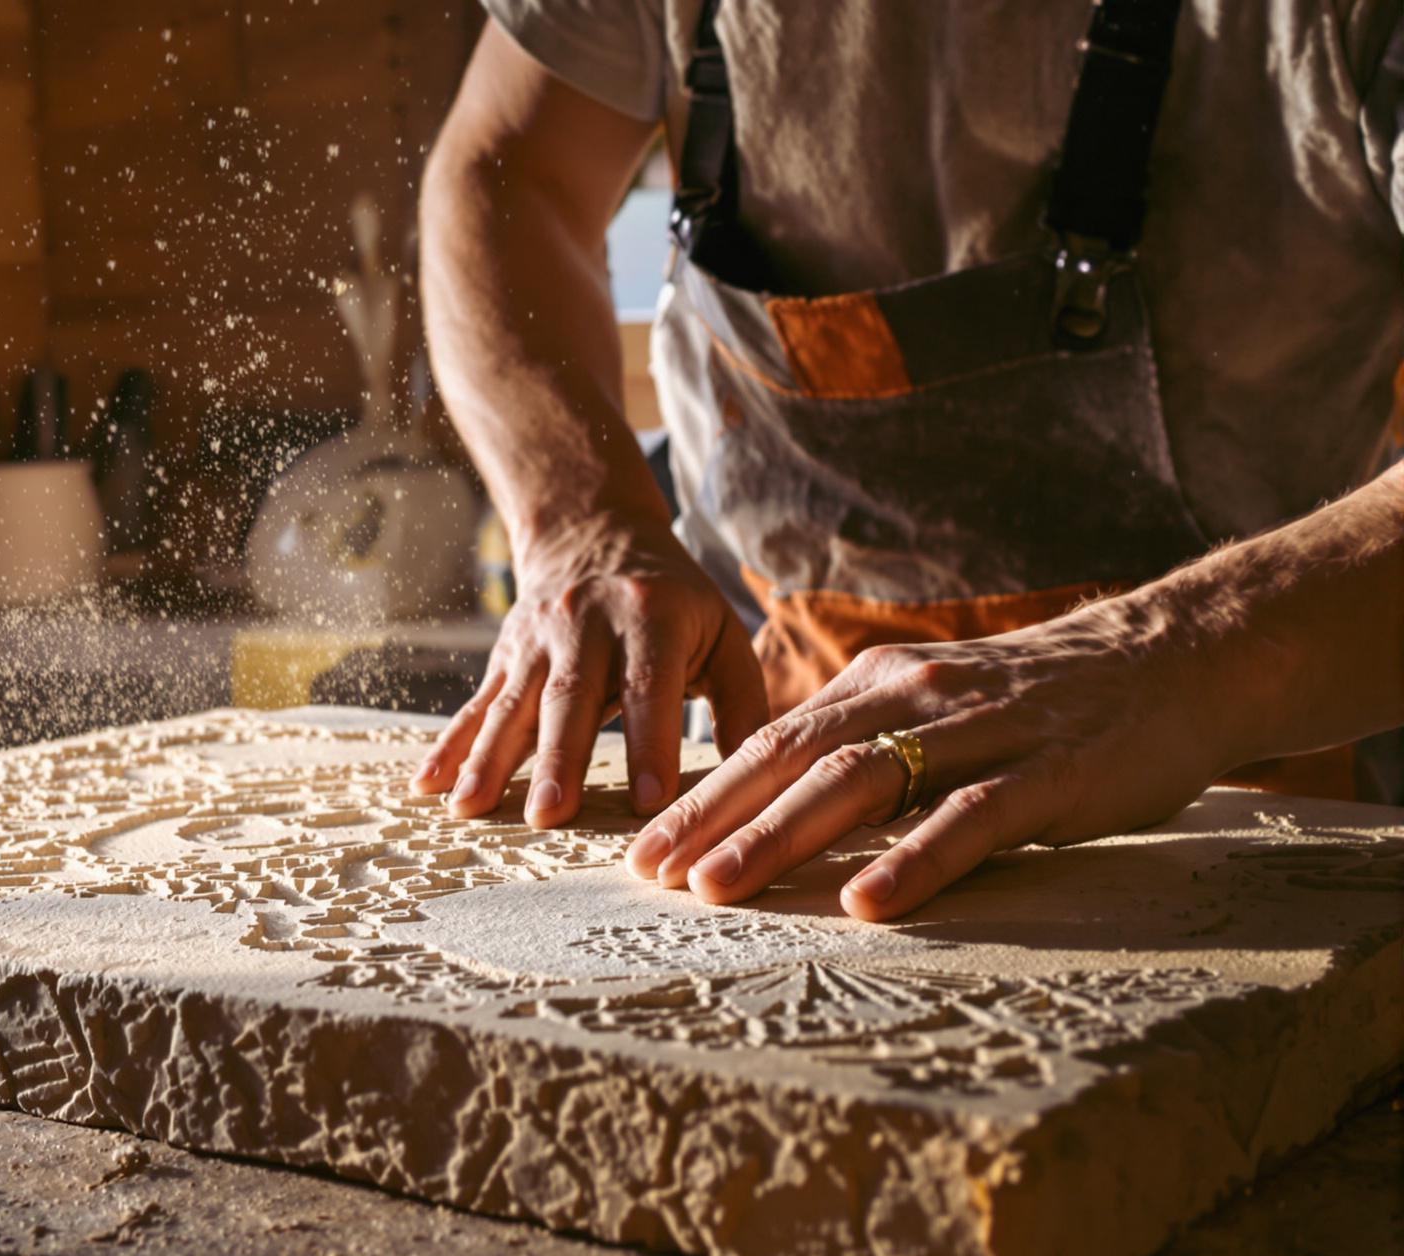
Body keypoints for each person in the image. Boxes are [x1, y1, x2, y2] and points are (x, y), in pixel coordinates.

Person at [411, 0, 1404, 922]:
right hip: (782, 785)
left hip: (1250, 772)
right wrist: (582, 517)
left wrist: (1164, 653)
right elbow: (509, 168)